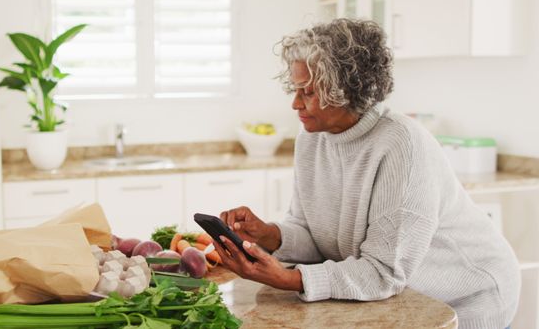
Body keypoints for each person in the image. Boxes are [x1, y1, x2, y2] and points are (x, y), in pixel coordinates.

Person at [213, 18, 520, 329]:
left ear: (345, 89)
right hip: (402, 295)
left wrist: (291, 279)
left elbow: (384, 272)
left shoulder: (401, 144)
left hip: (467, 297)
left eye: (307, 92)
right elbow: (313, 234)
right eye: (295, 89)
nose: (295, 103)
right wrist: (268, 234)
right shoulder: (311, 139)